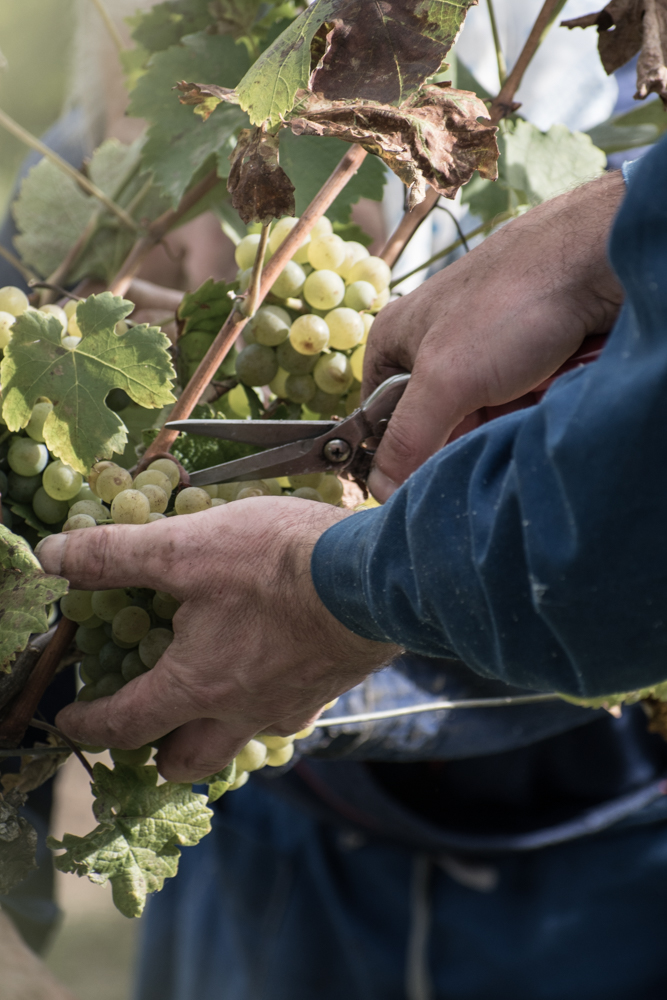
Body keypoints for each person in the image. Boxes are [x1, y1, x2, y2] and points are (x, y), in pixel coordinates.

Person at [34, 132, 667, 999]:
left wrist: (339, 584)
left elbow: (606, 537)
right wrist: (614, 219)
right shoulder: (104, 179)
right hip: (281, 841)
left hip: (604, 857)